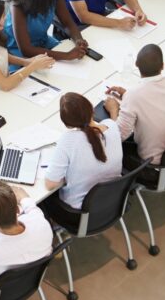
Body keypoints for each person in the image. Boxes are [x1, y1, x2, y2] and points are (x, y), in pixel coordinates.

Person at [43, 93, 124, 228]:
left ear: (67, 125)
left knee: (42, 200)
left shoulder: (68, 140)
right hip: (112, 203)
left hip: (78, 214)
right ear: (92, 110)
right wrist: (114, 111)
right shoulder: (112, 127)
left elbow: (50, 184)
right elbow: (112, 124)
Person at [103, 44, 165, 166]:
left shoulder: (134, 95)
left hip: (154, 164)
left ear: (136, 65)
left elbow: (118, 136)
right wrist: (128, 96)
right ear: (163, 66)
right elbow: (157, 99)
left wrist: (113, 110)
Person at [4, 0, 89, 62]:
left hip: (43, 42)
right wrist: (66, 56)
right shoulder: (17, 5)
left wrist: (78, 39)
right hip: (18, 53)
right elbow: (26, 50)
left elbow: (67, 22)